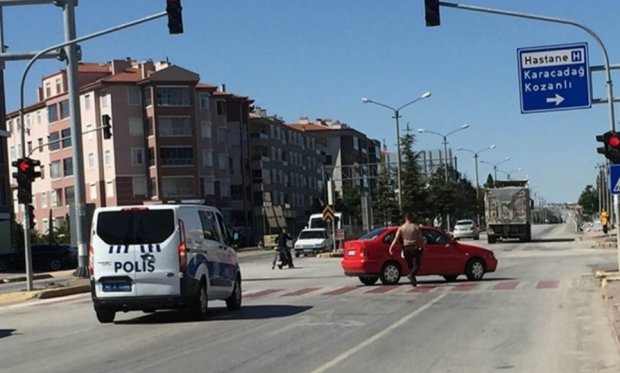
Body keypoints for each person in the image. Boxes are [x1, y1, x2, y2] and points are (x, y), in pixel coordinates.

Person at [389, 212, 424, 286]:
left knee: (410, 265)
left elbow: (396, 238)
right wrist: (423, 247)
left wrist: (391, 247)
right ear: (411, 218)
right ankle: (411, 275)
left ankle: (413, 280)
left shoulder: (401, 228)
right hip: (414, 248)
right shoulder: (415, 227)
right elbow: (421, 239)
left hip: (406, 248)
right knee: (416, 265)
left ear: (405, 218)